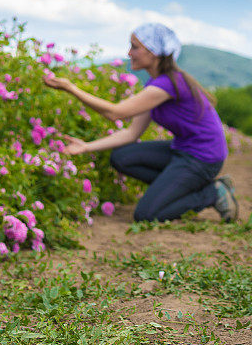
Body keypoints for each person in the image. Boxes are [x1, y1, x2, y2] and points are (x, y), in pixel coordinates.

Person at [42, 22, 238, 222]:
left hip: (203, 157)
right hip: (183, 149)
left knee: (146, 214)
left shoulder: (167, 84)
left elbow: (115, 113)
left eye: (135, 47)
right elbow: (131, 134)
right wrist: (86, 147)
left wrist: (71, 88)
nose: (129, 52)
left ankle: (212, 194)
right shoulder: (155, 85)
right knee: (121, 157)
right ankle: (179, 189)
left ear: (153, 52)